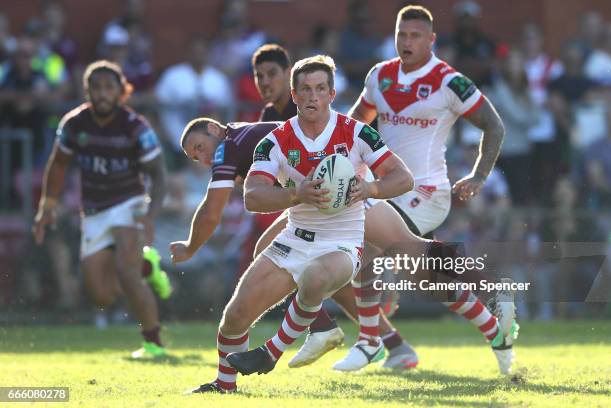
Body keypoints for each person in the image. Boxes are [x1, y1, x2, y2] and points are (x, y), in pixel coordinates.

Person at [185, 55, 413, 393]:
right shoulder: (275, 140)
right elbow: (253, 196)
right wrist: (298, 193)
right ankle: (224, 386)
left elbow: (403, 178)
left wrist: (370, 187)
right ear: (293, 95)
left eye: (320, 88)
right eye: (305, 89)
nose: (313, 96)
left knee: (316, 276)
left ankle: (273, 350)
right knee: (233, 317)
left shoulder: (357, 132)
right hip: (294, 238)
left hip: (342, 242)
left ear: (332, 93)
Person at [337, 5, 518, 371]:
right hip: (389, 187)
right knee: (431, 280)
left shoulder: (450, 81)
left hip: (428, 193)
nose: (407, 42)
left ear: (431, 40)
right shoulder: (379, 76)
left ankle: (371, 339)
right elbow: (357, 124)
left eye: (415, 36)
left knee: (361, 232)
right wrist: (343, 162)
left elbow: (495, 126)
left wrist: (480, 175)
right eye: (401, 34)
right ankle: (497, 327)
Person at [251, 43, 419, 370]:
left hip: (351, 197)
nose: (265, 82)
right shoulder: (272, 119)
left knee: (412, 253)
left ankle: (478, 296)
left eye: (272, 74)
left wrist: (364, 183)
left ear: (289, 78)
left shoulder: (305, 106)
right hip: (314, 206)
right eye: (259, 76)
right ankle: (377, 339)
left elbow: (353, 129)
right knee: (315, 269)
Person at [32, 60, 170, 358]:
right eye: (96, 88)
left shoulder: (135, 127)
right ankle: (147, 267)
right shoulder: (74, 124)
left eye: (109, 88)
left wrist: (149, 214)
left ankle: (153, 343)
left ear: (121, 92)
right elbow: (58, 164)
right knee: (101, 296)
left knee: (126, 272)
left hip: (129, 203)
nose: (103, 94)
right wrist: (48, 205)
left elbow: (158, 174)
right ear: (87, 91)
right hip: (94, 210)